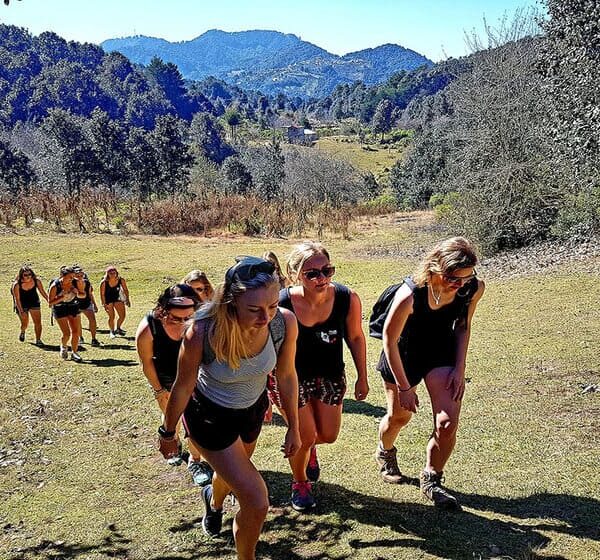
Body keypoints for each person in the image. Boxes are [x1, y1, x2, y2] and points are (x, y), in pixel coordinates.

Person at [159, 256, 300, 560]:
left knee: (230, 475)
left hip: (251, 412)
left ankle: (213, 500)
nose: (266, 317)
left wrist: (294, 426)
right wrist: (167, 432)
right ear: (232, 302)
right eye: (254, 309)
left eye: (272, 305)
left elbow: (287, 375)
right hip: (209, 417)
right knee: (256, 501)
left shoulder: (283, 323)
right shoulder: (202, 331)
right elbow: (182, 386)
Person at [375, 236, 485, 510]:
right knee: (400, 416)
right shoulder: (410, 295)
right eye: (453, 278)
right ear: (435, 267)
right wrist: (404, 387)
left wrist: (459, 368)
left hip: (441, 352)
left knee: (447, 424)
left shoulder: (472, 288)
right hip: (403, 354)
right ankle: (385, 452)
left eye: (467, 277)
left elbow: (463, 325)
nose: (460, 284)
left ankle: (432, 478)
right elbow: (389, 339)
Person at [268, 241, 369, 512]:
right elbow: (266, 349)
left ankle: (309, 447)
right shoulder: (281, 304)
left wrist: (362, 376)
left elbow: (356, 337)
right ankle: (300, 483)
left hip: (330, 375)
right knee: (304, 435)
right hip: (290, 378)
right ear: (295, 274)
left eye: (327, 270)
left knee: (328, 435)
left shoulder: (347, 298)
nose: (321, 278)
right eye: (312, 274)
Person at [135, 283, 213, 486]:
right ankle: (174, 442)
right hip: (166, 378)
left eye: (188, 318)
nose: (183, 323)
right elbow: (146, 362)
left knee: (194, 421)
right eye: (176, 318)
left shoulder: (203, 320)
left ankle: (195, 461)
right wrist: (158, 390)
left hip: (196, 378)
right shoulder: (149, 327)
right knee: (171, 415)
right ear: (163, 310)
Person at [48, 265, 85, 362]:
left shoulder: (76, 282)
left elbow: (83, 295)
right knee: (67, 334)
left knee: (76, 331)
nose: (72, 279)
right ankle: (64, 346)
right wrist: (61, 297)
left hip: (73, 306)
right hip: (60, 308)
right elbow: (50, 303)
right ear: (62, 276)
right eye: (70, 277)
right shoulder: (55, 286)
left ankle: (74, 353)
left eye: (73, 277)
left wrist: (77, 293)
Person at [12, 266, 48, 346]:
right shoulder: (17, 285)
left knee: (38, 322)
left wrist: (49, 301)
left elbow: (43, 292)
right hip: (22, 304)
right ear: (21, 275)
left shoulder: (36, 281)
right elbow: (17, 299)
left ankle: (38, 340)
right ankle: (23, 331)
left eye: (29, 274)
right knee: (25, 323)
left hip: (34, 302)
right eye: (25, 275)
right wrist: (21, 311)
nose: (28, 276)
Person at [100, 266, 130, 339]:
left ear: (117, 273)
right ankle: (112, 331)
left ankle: (118, 328)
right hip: (108, 300)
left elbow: (125, 289)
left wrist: (127, 299)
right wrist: (104, 304)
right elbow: (102, 294)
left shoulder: (121, 280)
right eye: (110, 273)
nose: (113, 274)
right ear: (107, 274)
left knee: (122, 315)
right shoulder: (104, 282)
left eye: (114, 273)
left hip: (117, 298)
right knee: (112, 316)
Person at [73, 265, 100, 347]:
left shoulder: (87, 283)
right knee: (78, 322)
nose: (79, 277)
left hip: (87, 303)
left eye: (81, 275)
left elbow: (90, 294)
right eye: (77, 276)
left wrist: (94, 304)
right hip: (75, 304)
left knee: (93, 320)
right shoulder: (71, 283)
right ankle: (80, 337)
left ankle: (94, 339)